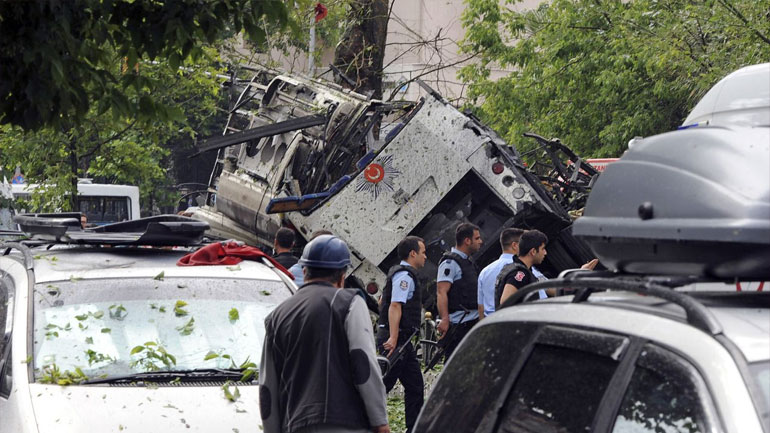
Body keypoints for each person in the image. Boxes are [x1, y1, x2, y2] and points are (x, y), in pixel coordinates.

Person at [259, 235, 390, 433]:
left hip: (295, 425)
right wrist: (380, 422)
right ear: (342, 275)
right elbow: (364, 366)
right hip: (345, 425)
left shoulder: (276, 316)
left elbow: (267, 387)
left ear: (304, 270)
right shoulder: (350, 303)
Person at [377, 236, 427, 433]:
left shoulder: (401, 273)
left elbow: (382, 301)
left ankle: (414, 428)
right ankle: (361, 422)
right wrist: (394, 337)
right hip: (396, 341)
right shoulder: (404, 276)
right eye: (423, 252)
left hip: (404, 342)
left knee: (415, 385)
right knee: (383, 386)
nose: (425, 256)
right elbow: (394, 306)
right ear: (413, 253)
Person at [436, 222, 483, 359]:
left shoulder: (468, 262)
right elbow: (441, 292)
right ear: (467, 241)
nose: (481, 241)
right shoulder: (450, 263)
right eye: (477, 238)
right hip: (460, 325)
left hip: (472, 320)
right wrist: (445, 319)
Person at [476, 228, 524, 319]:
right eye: (523, 244)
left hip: (494, 324)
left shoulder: (484, 272)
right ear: (515, 245)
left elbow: (481, 308)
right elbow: (544, 292)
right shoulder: (521, 266)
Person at [497, 230, 548, 307]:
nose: (545, 253)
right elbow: (505, 302)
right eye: (543, 249)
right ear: (533, 251)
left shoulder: (520, 269)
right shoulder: (520, 273)